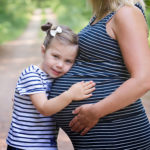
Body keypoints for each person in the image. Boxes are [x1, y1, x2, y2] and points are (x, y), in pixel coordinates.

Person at [50, 0, 150, 149]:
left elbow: (144, 79)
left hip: (119, 136)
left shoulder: (127, 13)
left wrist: (96, 111)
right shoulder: (101, 16)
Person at [6, 22, 95, 150]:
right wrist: (70, 94)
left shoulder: (53, 77)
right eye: (55, 56)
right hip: (24, 145)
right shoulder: (32, 75)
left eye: (68, 61)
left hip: (45, 145)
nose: (60, 64)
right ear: (43, 51)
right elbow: (44, 108)